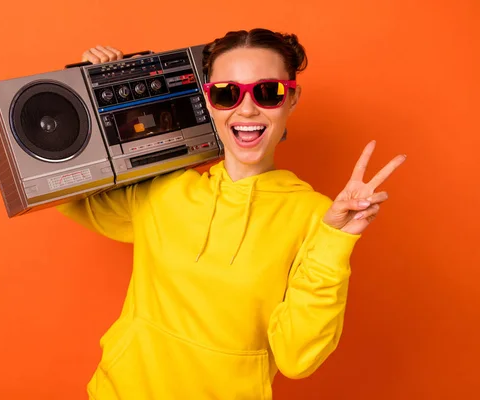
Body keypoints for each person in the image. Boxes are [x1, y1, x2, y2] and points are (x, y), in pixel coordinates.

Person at [58, 28, 406, 399]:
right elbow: (64, 193)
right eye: (227, 93)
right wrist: (96, 91)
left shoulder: (316, 216)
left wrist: (338, 239)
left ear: (292, 98)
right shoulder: (163, 190)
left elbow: (298, 357)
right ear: (209, 101)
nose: (247, 109)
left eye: (267, 92)